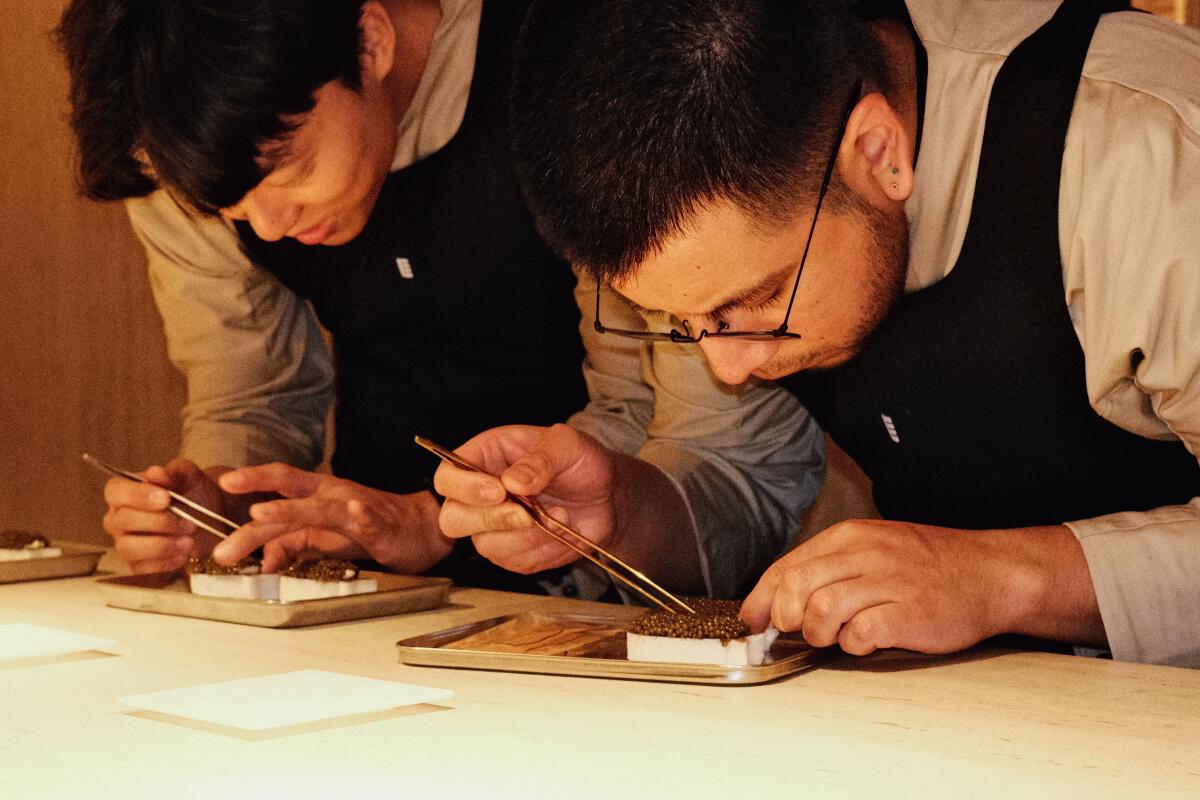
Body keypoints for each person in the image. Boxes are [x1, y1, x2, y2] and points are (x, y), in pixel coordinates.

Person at [435, 0, 1200, 665]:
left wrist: (1004, 577)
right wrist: (622, 514)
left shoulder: (1141, 145)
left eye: (756, 301)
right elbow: (740, 471)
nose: (728, 366)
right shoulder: (743, 238)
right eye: (686, 325)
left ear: (876, 152)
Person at [57, 0, 823, 597]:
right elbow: (253, 390)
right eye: (225, 205)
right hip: (377, 594)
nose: (268, 224)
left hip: (618, 584)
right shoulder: (200, 148)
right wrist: (221, 509)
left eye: (286, 170)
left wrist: (434, 520)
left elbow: (677, 432)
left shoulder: (583, 70)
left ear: (369, 43)